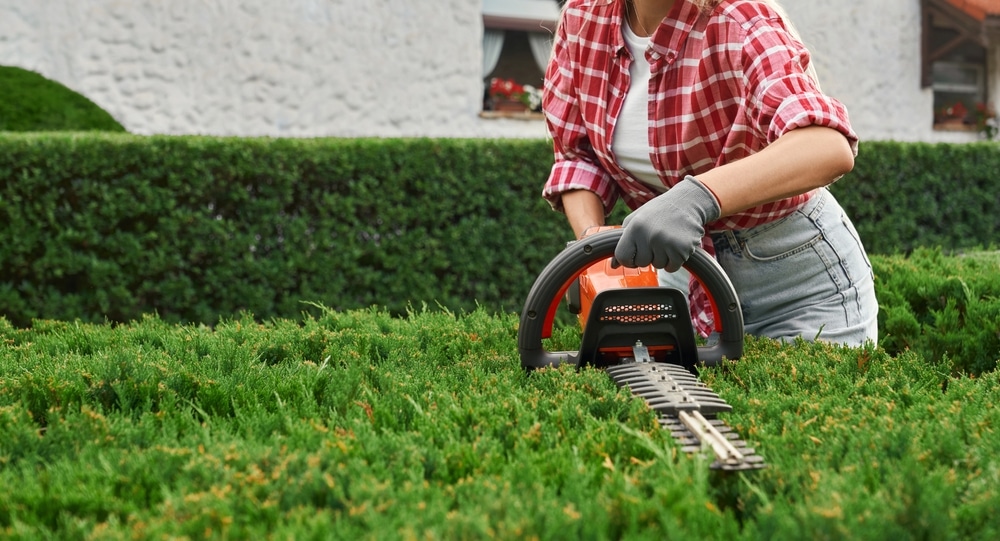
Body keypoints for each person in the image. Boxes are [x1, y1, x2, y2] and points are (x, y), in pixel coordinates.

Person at [541, 0, 878, 346]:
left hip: (796, 288)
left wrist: (698, 197)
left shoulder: (740, 19)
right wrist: (595, 245)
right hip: (678, 275)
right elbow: (577, 157)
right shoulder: (583, 18)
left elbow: (825, 145)